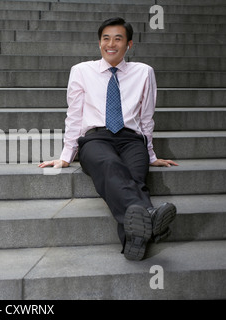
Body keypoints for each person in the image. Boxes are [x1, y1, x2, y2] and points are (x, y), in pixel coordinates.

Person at [39, 17, 178, 261]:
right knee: (112, 166)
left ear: (129, 45)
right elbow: (74, 115)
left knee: (134, 178)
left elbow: (146, 118)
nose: (111, 44)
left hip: (131, 139)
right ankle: (150, 216)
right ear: (99, 42)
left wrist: (151, 154)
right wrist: (65, 156)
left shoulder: (144, 72)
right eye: (106, 38)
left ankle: (135, 241)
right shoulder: (82, 71)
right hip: (96, 139)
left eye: (118, 38)